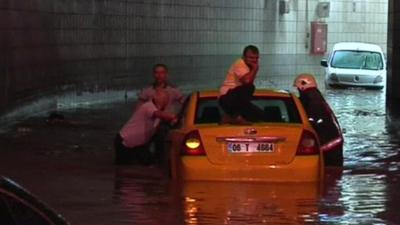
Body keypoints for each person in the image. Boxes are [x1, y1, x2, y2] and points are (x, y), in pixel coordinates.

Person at [136, 64, 185, 165]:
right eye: (157, 73)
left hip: (167, 122)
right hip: (150, 122)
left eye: (162, 73)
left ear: (166, 74)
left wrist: (179, 119)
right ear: (153, 74)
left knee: (161, 141)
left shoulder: (174, 90)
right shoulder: (147, 91)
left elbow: (184, 105)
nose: (159, 75)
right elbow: (138, 109)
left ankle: (160, 162)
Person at [293, 73, 344, 166]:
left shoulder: (311, 101)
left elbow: (310, 123)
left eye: (298, 88)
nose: (298, 90)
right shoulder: (316, 97)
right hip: (334, 143)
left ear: (302, 87)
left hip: (329, 146)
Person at [114, 90, 177, 165]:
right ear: (155, 97)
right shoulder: (148, 106)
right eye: (163, 99)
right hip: (124, 143)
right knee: (125, 168)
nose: (165, 102)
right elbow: (159, 114)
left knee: (149, 164)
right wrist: (174, 117)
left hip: (139, 146)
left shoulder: (157, 111)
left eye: (166, 100)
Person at [218, 45, 266, 124]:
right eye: (251, 58)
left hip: (236, 100)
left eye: (256, 58)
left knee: (260, 115)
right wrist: (255, 68)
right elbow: (247, 82)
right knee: (249, 88)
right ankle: (232, 116)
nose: (254, 60)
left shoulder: (248, 67)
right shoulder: (240, 64)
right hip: (227, 97)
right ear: (244, 57)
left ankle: (232, 117)